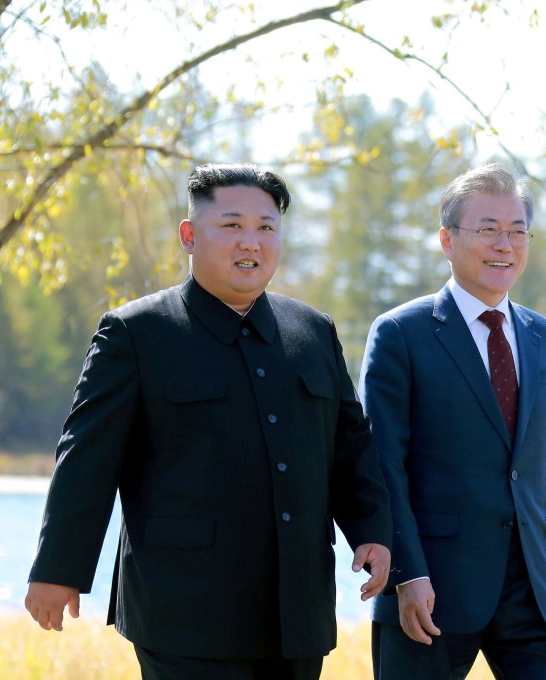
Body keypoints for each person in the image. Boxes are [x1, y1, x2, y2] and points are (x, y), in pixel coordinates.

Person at [25, 162, 392, 680]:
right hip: (183, 613)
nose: (252, 242)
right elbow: (85, 460)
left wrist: (370, 530)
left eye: (266, 227)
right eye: (233, 225)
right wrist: (58, 570)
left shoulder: (313, 331)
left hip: (296, 612)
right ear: (189, 236)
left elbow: (350, 446)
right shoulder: (136, 333)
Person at [359, 164, 546, 679]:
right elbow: (382, 467)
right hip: (431, 591)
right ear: (447, 239)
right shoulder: (401, 334)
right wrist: (406, 574)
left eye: (517, 231)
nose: (504, 244)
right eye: (487, 229)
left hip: (537, 594)